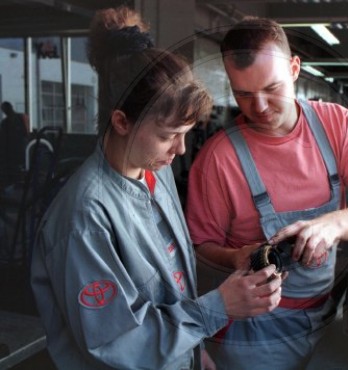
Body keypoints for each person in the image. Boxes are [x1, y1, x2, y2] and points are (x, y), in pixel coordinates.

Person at [30, 7, 283, 370]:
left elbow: (169, 277)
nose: (180, 150)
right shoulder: (84, 220)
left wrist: (196, 350)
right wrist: (216, 309)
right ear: (121, 122)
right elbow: (118, 345)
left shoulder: (155, 172)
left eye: (185, 135)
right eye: (168, 136)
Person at [185, 16, 348, 370]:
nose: (260, 107)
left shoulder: (338, 125)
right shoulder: (217, 159)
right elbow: (199, 253)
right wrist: (237, 256)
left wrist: (331, 226)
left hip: (328, 317)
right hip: (255, 334)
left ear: (295, 69)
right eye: (243, 94)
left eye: (272, 88)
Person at [0, 101, 29, 181]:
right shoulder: (5, 122)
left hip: (18, 149)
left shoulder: (21, 117)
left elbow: (26, 133)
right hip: (13, 150)